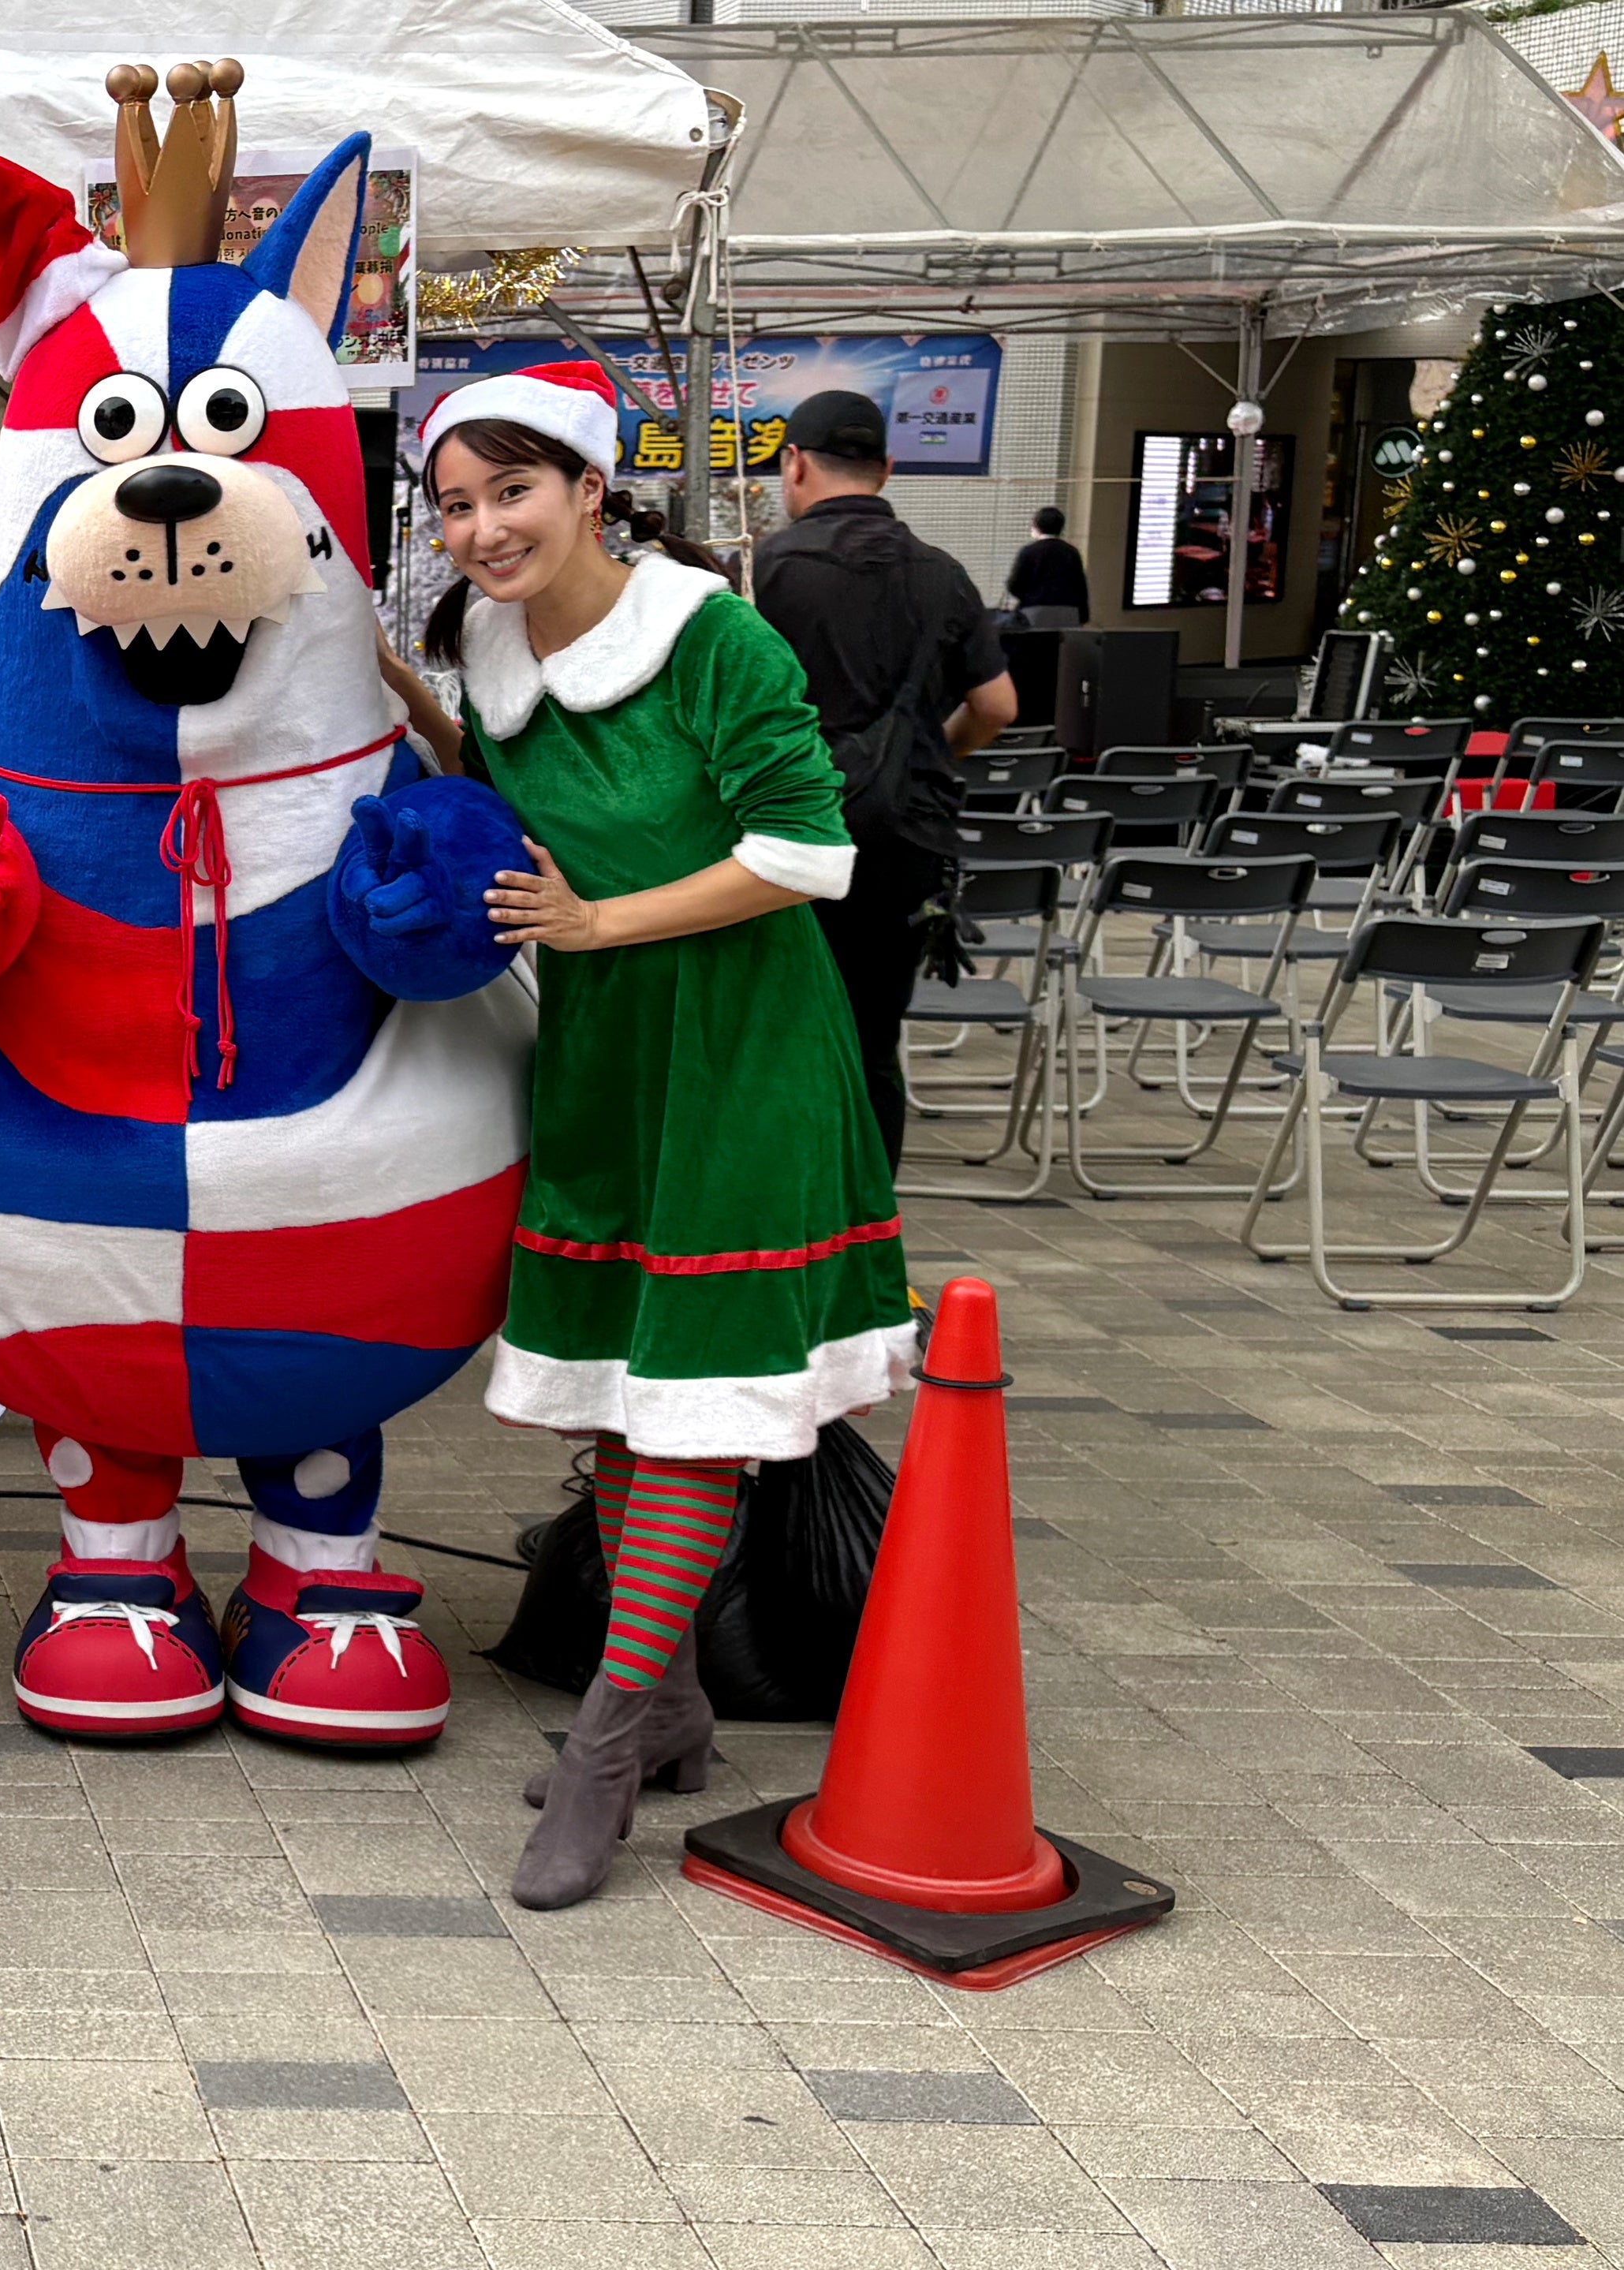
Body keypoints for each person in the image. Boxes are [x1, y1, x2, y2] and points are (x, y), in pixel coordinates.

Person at [375, 362, 917, 1910]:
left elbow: (807, 852)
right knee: (616, 1394)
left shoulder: (711, 634)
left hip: (740, 1042)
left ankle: (609, 1742)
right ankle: (667, 1698)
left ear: (590, 487)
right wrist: (394, 688)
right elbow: (511, 791)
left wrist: (597, 921)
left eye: (512, 492)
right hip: (604, 1045)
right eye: (455, 504)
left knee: (687, 1402)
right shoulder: (486, 644)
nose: (483, 528)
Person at [752, 390, 1017, 1179]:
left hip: (787, 837)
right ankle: (869, 1219)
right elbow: (997, 706)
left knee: (778, 1035)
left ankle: (787, 1212)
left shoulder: (769, 571)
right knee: (873, 1042)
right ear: (887, 469)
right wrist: (919, 758)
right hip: (907, 840)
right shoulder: (943, 574)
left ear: (794, 463)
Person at [1006, 504, 1089, 628]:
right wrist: (1083, 615)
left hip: (1035, 611)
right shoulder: (1071, 552)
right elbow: (1080, 586)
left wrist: (1029, 597)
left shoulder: (1029, 552)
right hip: (1068, 612)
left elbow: (1014, 585)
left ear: (1037, 526)